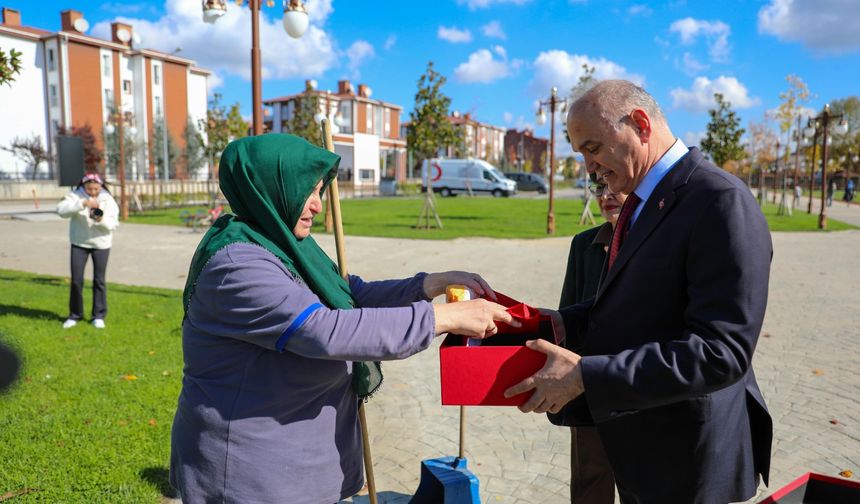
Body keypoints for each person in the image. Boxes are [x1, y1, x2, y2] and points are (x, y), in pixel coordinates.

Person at [169, 134, 517, 504]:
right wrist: (440, 318)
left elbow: (349, 296)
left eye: (321, 191)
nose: (318, 205)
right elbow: (324, 330)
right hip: (250, 473)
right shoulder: (238, 264)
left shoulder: (285, 243)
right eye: (308, 191)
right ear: (272, 186)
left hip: (297, 461)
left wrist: (429, 284)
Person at [506, 80, 773, 503]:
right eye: (581, 154)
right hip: (642, 449)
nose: (589, 168)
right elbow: (638, 302)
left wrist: (585, 377)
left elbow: (721, 351)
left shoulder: (720, 201)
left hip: (689, 463)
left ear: (640, 124)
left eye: (592, 147)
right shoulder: (645, 199)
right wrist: (556, 322)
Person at [552, 178, 627, 504]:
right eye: (599, 188)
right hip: (587, 384)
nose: (605, 195)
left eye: (613, 186)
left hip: (635, 381)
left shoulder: (651, 243)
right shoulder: (583, 245)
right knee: (589, 477)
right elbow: (566, 314)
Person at [56, 172, 119, 329]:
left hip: (101, 245)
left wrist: (100, 219)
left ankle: (98, 316)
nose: (92, 192)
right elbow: (61, 211)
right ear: (84, 186)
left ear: (100, 186)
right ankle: (75, 315)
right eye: (89, 188)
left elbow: (113, 224)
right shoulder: (75, 196)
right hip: (79, 243)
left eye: (95, 188)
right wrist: (82, 203)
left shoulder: (107, 199)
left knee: (99, 281)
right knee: (76, 280)